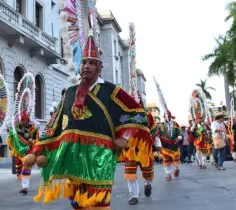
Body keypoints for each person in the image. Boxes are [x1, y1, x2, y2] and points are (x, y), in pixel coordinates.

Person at [31, 31, 152, 210]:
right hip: (73, 155)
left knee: (98, 202)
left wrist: (124, 136)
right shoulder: (70, 92)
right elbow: (55, 123)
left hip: (100, 155)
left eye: (92, 63)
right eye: (84, 62)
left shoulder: (111, 91)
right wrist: (37, 149)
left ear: (99, 67)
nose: (87, 66)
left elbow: (138, 114)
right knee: (77, 202)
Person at [123, 99, 161, 205]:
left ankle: (147, 184)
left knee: (148, 172)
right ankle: (134, 195)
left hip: (145, 148)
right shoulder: (124, 113)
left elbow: (153, 130)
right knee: (130, 173)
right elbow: (121, 129)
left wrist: (158, 145)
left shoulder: (147, 114)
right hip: (130, 149)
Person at [7, 110, 40, 194]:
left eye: (24, 120)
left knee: (26, 167)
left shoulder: (30, 127)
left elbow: (38, 125)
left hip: (28, 150)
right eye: (21, 120)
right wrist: (15, 119)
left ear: (27, 120)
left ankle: (25, 187)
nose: (22, 121)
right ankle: (24, 185)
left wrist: (31, 119)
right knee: (20, 170)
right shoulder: (16, 128)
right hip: (19, 151)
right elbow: (7, 125)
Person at [158, 111, 183, 181]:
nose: (168, 117)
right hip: (165, 145)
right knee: (166, 160)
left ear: (170, 116)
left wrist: (179, 138)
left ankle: (176, 168)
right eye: (166, 116)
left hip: (174, 144)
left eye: (169, 115)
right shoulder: (161, 125)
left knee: (176, 159)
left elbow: (180, 132)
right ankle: (168, 174)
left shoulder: (175, 123)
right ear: (164, 117)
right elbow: (157, 134)